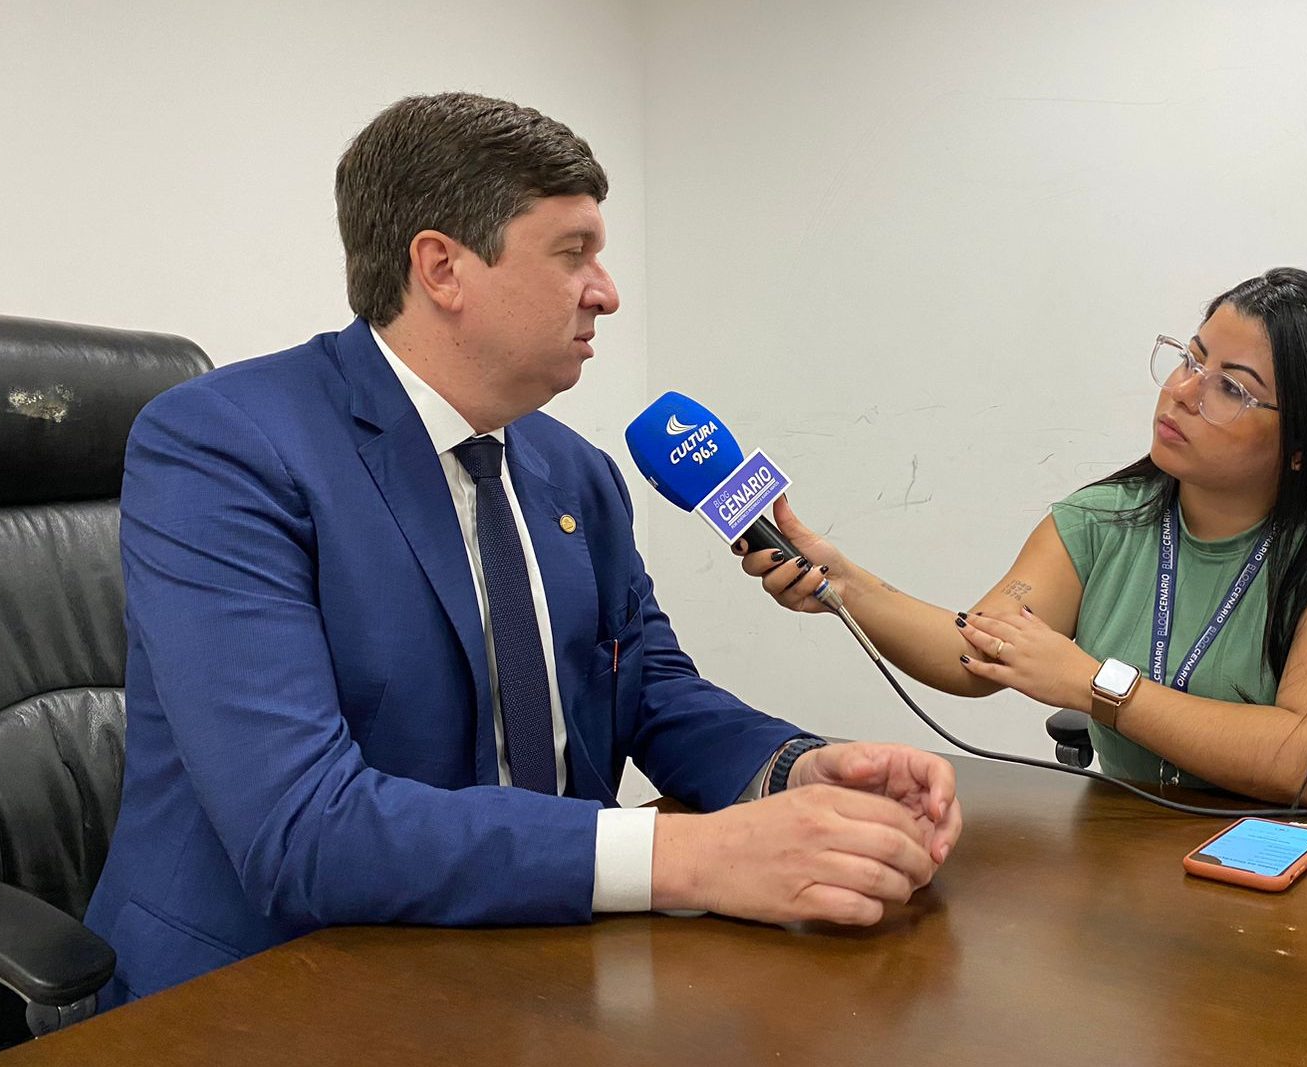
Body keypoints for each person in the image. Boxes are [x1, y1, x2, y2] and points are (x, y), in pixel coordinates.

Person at [84, 92, 962, 1007]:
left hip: (525, 969)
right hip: (264, 989)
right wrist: (692, 855)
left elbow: (649, 688)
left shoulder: (575, 471)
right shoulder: (224, 445)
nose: (608, 292)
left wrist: (789, 770)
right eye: (573, 252)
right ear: (443, 268)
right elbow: (304, 826)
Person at [738, 268, 1307, 818]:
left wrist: (1094, 683)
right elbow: (977, 650)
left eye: (1231, 388)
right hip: (1144, 857)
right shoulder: (1103, 522)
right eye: (1191, 358)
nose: (1181, 392)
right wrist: (848, 587)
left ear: (1306, 444)